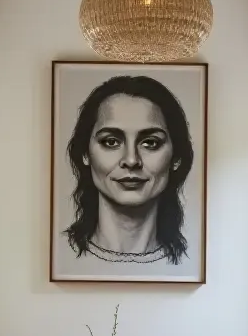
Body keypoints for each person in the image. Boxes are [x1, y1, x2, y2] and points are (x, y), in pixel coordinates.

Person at [64, 75, 194, 265]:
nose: (131, 160)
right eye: (111, 142)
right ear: (85, 153)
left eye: (150, 143)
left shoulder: (191, 259)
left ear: (176, 158)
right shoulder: (62, 252)